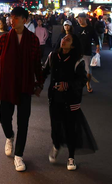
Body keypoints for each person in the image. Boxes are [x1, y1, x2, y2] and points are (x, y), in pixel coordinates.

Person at [0, 7, 44, 172]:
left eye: (15, 18)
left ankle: (19, 155)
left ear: (24, 20)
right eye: (11, 17)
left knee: (23, 122)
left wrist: (39, 83)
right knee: (3, 117)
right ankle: (9, 136)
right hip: (8, 84)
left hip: (25, 85)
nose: (11, 21)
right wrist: (9, 61)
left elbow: (37, 63)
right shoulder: (4, 39)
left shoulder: (33, 40)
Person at [43, 34, 98, 171]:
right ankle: (56, 145)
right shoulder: (53, 56)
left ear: (72, 45)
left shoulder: (78, 61)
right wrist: (37, 85)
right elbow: (44, 72)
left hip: (71, 99)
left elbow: (81, 81)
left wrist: (66, 85)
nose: (64, 40)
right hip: (54, 98)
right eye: (63, 38)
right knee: (55, 127)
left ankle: (71, 157)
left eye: (68, 39)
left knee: (70, 129)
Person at [75, 13, 101, 93]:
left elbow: (96, 39)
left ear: (85, 18)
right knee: (75, 70)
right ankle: (77, 85)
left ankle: (88, 83)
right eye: (78, 19)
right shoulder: (76, 29)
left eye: (81, 19)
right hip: (77, 53)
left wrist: (97, 48)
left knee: (88, 72)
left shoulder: (90, 29)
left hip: (87, 52)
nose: (79, 20)